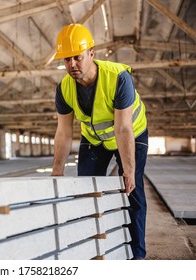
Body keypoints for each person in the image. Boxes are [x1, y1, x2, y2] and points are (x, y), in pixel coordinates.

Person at [51, 23, 148, 260]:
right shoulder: (64, 88)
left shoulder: (118, 78)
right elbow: (64, 133)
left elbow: (123, 128)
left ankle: (137, 256)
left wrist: (128, 170)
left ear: (91, 54)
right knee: (84, 190)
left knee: (132, 191)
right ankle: (88, 251)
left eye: (77, 57)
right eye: (66, 60)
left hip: (132, 134)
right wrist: (56, 172)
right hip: (94, 140)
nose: (71, 64)